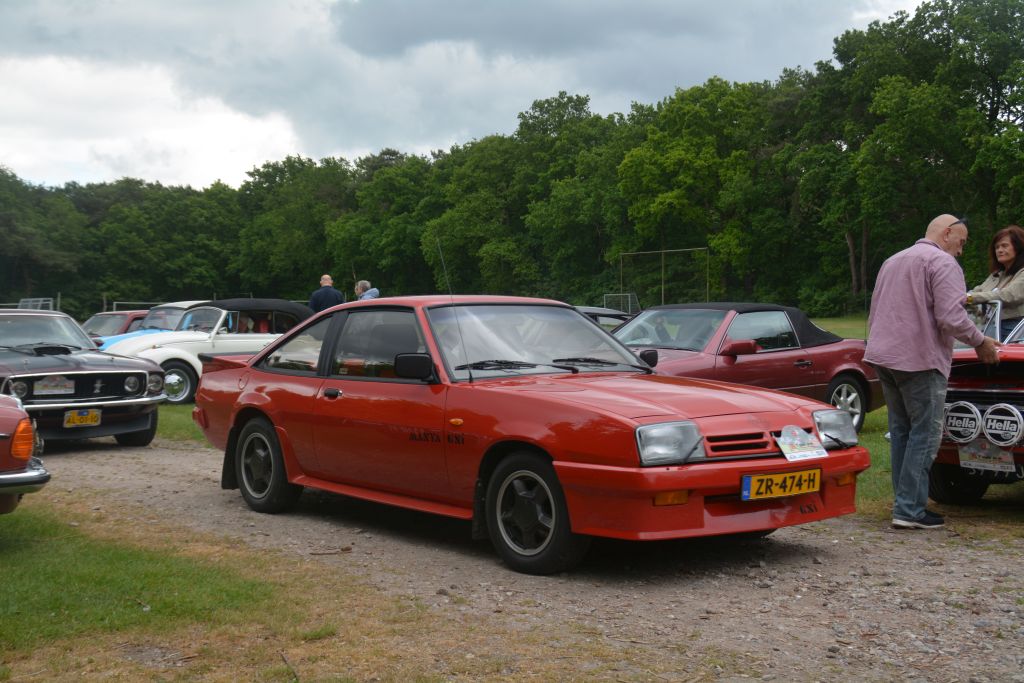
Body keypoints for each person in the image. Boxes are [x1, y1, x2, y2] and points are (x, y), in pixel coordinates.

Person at [865, 214, 1000, 531]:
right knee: (925, 434)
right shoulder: (943, 263)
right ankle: (910, 510)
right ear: (948, 233)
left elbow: (877, 308)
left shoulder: (894, 260)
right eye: (962, 243)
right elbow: (951, 317)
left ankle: (904, 504)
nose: (961, 251)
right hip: (919, 359)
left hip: (883, 356)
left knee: (901, 432)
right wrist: (980, 342)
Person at [967, 224, 1024, 339]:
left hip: (1016, 331)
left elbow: (1009, 295)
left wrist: (970, 298)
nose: (999, 250)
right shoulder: (996, 275)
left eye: (1004, 246)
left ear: (1018, 248)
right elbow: (978, 290)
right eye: (997, 247)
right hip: (990, 327)